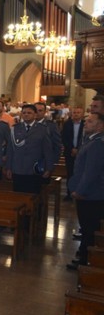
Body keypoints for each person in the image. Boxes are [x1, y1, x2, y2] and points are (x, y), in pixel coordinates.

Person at [66, 112, 104, 270]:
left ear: (100, 126)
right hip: (88, 193)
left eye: (89, 121)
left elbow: (91, 172)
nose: (85, 123)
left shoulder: (97, 144)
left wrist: (79, 191)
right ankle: (83, 255)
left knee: (89, 228)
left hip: (90, 194)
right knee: (87, 227)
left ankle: (86, 260)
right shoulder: (90, 140)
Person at [5, 104, 54, 194]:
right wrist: (8, 167)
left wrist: (48, 168)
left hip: (34, 169)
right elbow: (10, 149)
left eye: (29, 113)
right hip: (18, 169)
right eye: (24, 113)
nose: (26, 115)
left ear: (35, 115)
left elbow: (48, 150)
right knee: (18, 196)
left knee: (34, 197)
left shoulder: (42, 129)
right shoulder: (15, 128)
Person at [61, 106, 84, 201]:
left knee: (81, 173)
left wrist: (78, 149)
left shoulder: (85, 124)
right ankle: (69, 193)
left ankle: (79, 192)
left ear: (82, 114)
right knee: (70, 173)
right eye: (74, 112)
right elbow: (64, 138)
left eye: (78, 112)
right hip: (69, 152)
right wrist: (72, 149)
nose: (76, 114)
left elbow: (85, 139)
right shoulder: (67, 124)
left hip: (82, 153)